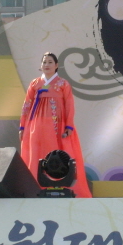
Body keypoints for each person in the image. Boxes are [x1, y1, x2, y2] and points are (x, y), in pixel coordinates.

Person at [19, 52, 92, 198]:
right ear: (41, 66)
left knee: (57, 153)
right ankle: (34, 187)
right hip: (36, 127)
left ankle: (60, 185)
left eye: (50, 62)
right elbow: (26, 105)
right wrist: (23, 126)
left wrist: (69, 125)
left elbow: (69, 105)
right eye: (44, 62)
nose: (47, 65)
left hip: (56, 126)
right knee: (36, 154)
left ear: (56, 65)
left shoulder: (63, 84)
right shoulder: (35, 84)